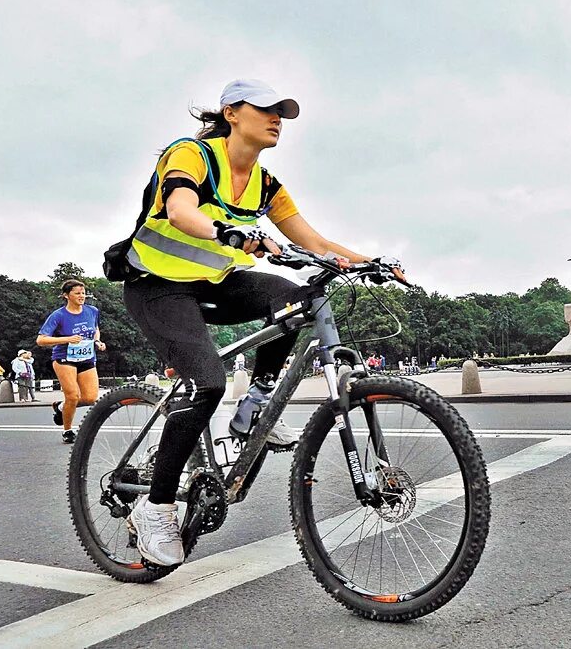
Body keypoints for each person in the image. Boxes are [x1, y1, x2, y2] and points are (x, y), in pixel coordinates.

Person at [119, 79, 405, 567]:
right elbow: (179, 208)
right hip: (156, 285)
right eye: (267, 109)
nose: (278, 119)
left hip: (212, 282)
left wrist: (369, 261)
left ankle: (253, 408)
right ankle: (156, 506)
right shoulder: (191, 154)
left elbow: (314, 241)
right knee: (205, 383)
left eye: (283, 113)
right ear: (232, 112)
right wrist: (227, 230)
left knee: (297, 299)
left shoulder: (266, 183)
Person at [37, 279, 107, 443]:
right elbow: (41, 340)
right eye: (77, 293)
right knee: (73, 396)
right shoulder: (59, 315)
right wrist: (67, 339)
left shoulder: (92, 310)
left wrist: (97, 341)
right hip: (64, 358)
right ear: (66, 295)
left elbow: (95, 329)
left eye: (83, 293)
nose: (81, 296)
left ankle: (61, 407)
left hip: (87, 357)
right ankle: (67, 430)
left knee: (90, 398)